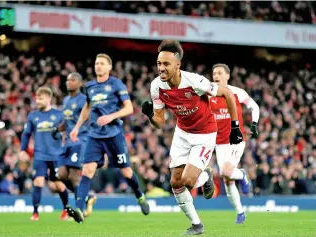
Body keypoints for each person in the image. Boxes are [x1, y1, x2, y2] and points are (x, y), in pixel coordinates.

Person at [141, 40, 243, 235]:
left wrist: (235, 126)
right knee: (175, 183)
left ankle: (205, 176)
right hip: (182, 133)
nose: (161, 68)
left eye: (166, 64)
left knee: (188, 180)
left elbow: (227, 94)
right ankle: (197, 225)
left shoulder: (195, 81)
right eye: (159, 63)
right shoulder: (156, 86)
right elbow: (160, 122)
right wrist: (150, 116)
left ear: (178, 65)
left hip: (204, 134)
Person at [67, 54, 150, 223]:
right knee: (87, 171)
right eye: (97, 63)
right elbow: (87, 108)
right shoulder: (89, 86)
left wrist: (111, 116)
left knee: (126, 171)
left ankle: (139, 195)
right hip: (94, 135)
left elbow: (128, 109)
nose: (98, 66)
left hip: (113, 134)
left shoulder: (116, 84)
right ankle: (80, 210)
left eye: (102, 63)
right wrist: (76, 127)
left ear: (109, 67)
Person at [210, 63, 260, 224]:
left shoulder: (237, 92)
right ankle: (240, 212)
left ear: (227, 76)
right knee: (227, 178)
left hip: (235, 139)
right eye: (214, 73)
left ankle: (243, 174)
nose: (216, 76)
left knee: (226, 171)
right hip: (219, 143)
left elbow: (254, 106)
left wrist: (254, 124)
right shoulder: (209, 94)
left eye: (219, 73)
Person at [19, 87, 69, 221]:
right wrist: (22, 150)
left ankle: (66, 210)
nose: (37, 100)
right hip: (40, 155)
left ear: (48, 99)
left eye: (40, 98)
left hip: (56, 155)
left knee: (58, 185)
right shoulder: (33, 116)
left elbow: (68, 131)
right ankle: (35, 213)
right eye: (36, 98)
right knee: (38, 181)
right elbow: (26, 134)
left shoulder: (59, 115)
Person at [53, 72, 97, 219]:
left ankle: (80, 210)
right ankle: (88, 196)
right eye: (67, 80)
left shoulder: (84, 100)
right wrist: (57, 130)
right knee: (61, 175)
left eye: (72, 80)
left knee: (74, 175)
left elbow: (89, 118)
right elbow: (67, 121)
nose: (68, 82)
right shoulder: (66, 100)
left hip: (80, 140)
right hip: (66, 143)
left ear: (79, 83)